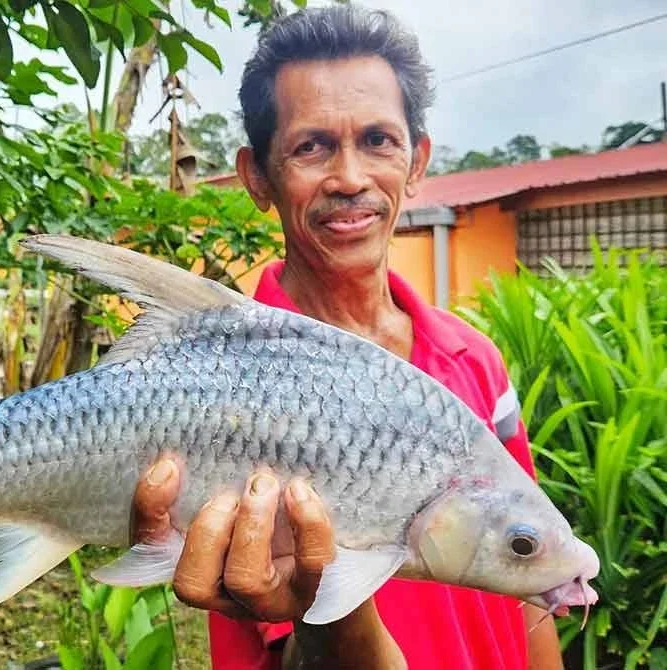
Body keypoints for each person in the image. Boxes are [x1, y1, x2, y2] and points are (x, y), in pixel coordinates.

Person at [129, 5, 565, 669]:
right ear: (257, 176)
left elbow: (529, 583)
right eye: (311, 147)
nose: (351, 178)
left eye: (378, 140)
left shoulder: (477, 361)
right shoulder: (218, 378)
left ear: (416, 162)